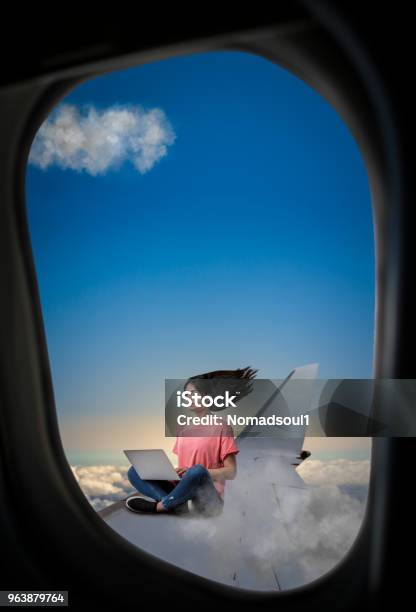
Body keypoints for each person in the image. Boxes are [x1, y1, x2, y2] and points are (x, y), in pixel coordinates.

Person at [125, 366, 257, 516]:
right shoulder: (183, 429)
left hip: (208, 500)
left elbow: (231, 472)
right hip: (184, 492)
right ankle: (175, 505)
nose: (188, 398)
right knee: (134, 471)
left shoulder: (222, 427)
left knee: (198, 470)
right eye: (186, 395)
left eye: (193, 394)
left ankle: (160, 506)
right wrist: (175, 472)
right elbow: (184, 466)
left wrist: (196, 472)